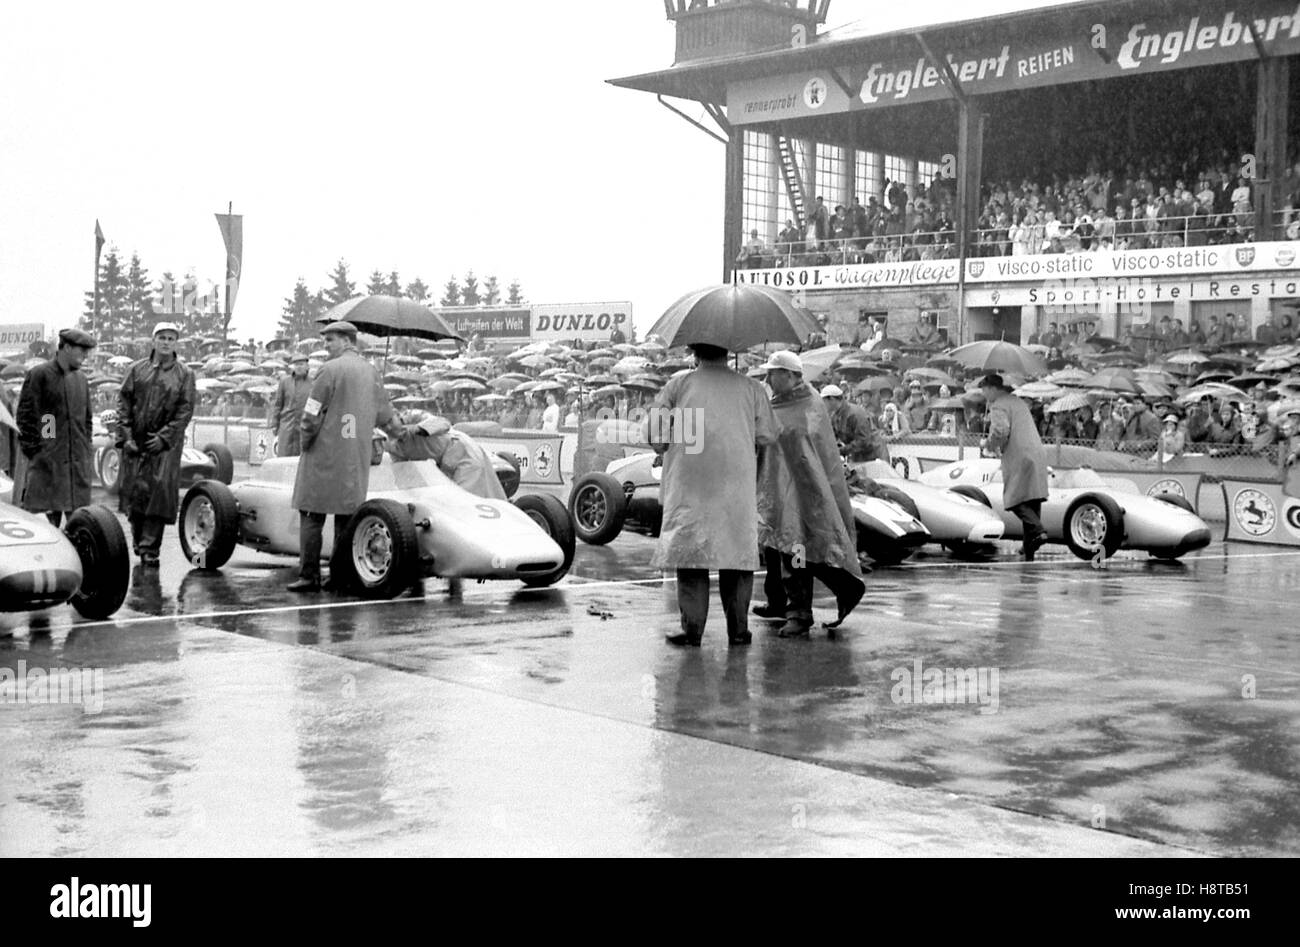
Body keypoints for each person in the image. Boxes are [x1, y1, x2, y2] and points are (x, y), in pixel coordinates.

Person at [646, 342, 776, 646]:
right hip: (736, 484)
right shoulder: (752, 388)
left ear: (694, 353)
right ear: (729, 352)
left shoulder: (678, 386)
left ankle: (692, 629)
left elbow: (656, 437)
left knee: (691, 558)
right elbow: (768, 434)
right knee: (737, 558)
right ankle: (739, 630)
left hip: (690, 483)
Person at [753, 352, 865, 638]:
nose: (767, 378)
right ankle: (777, 601)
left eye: (773, 373)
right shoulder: (777, 403)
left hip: (802, 493)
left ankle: (800, 612)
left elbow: (805, 444)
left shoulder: (810, 404)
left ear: (791, 375)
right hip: (776, 488)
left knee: (796, 551)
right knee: (774, 545)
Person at [288, 321, 394, 592]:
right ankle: (340, 576)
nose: (325, 346)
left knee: (311, 515)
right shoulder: (371, 372)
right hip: (355, 456)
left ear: (347, 341)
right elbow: (385, 416)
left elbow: (311, 413)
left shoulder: (328, 370)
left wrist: (305, 442)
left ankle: (309, 575)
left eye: (330, 340)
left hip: (323, 455)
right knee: (346, 517)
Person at [115, 322, 196, 566]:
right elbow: (124, 403)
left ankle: (151, 548)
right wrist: (126, 437)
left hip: (165, 447)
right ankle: (139, 540)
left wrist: (164, 438)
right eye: (162, 337)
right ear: (153, 340)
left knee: (158, 496)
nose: (166, 342)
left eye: (171, 338)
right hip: (136, 444)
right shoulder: (135, 369)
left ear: (176, 343)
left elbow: (185, 410)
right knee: (134, 494)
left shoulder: (185, 374)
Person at [14, 328, 96, 526]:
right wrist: (39, 452)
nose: (85, 355)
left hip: (76, 468)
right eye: (81, 350)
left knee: (80, 528)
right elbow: (29, 417)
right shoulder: (40, 375)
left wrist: (85, 448)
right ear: (66, 347)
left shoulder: (81, 380)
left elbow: (86, 420)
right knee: (45, 530)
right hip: (48, 469)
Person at [979, 374, 1049, 560]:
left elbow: (1001, 431)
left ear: (992, 388)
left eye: (984, 390)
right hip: (1037, 452)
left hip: (1018, 454)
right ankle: (1029, 547)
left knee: (1015, 499)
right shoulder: (1017, 401)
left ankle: (1038, 530)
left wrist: (988, 444)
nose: (984, 395)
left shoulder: (999, 405)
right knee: (1032, 499)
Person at [387, 411, 505, 499]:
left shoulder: (412, 415)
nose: (389, 427)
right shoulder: (390, 444)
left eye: (390, 421)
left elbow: (443, 422)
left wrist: (418, 428)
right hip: (443, 464)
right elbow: (403, 474)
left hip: (463, 451)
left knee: (466, 500)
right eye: (384, 425)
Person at [822, 384, 888, 462]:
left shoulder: (855, 414)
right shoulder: (835, 416)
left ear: (832, 399)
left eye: (824, 400)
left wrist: (841, 450)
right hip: (860, 455)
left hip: (875, 454)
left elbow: (864, 441)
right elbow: (831, 436)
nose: (822, 403)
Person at [268, 352, 312, 457]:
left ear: (307, 366)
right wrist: (275, 424)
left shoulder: (313, 383)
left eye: (301, 364)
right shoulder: (285, 382)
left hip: (304, 427)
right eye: (296, 364)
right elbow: (278, 404)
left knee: (302, 457)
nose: (299, 367)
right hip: (287, 426)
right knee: (284, 456)